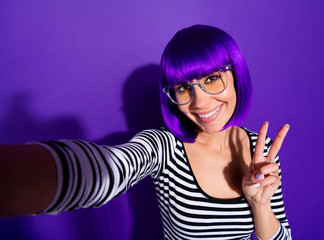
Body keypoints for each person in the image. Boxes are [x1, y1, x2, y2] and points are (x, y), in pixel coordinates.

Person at [0, 25, 291, 239]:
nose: (199, 101)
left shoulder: (261, 152)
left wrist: (260, 205)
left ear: (236, 74)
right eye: (183, 88)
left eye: (212, 79)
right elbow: (108, 169)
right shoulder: (164, 147)